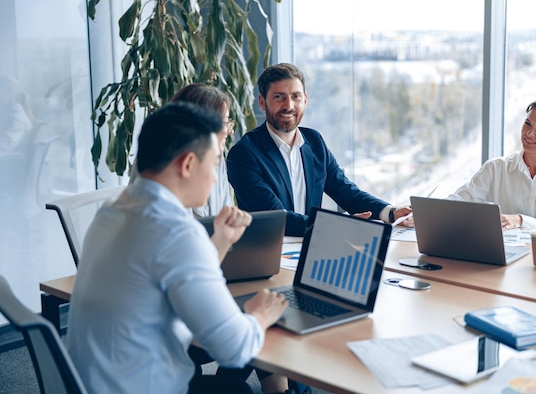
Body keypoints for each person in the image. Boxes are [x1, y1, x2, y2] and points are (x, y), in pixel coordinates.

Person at [66, 101, 288, 394]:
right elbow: (234, 350)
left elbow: (169, 270)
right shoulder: (176, 232)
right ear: (187, 164)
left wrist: (221, 240)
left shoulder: (113, 211)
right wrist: (260, 314)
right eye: (214, 162)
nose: (213, 175)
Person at [227, 63, 413, 237]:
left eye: (295, 96)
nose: (289, 105)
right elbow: (276, 217)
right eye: (279, 97)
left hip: (310, 248)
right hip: (268, 252)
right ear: (262, 102)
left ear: (305, 100)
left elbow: (346, 191)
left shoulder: (314, 142)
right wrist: (337, 226)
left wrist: (391, 213)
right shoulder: (244, 154)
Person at [448, 97, 536, 235]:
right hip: (506, 253)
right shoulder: (495, 168)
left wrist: (520, 221)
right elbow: (459, 203)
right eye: (527, 123)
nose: (530, 133)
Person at [169, 83, 235, 217]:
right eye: (223, 122)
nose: (229, 131)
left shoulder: (217, 157)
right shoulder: (166, 162)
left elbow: (226, 213)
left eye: (228, 122)